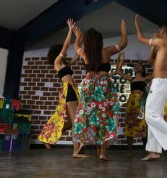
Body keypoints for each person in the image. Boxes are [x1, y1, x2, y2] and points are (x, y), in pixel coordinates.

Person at [134, 14, 167, 161]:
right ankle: (154, 151)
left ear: (163, 31)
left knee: (150, 116)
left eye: (159, 30)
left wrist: (138, 26)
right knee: (154, 116)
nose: (158, 32)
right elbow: (152, 60)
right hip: (162, 84)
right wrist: (154, 42)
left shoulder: (162, 43)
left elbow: (140, 38)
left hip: (159, 84)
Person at [72, 19, 127, 160]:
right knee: (105, 117)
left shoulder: (85, 53)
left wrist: (78, 36)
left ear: (87, 42)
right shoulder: (106, 52)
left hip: (88, 84)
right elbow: (123, 43)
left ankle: (83, 142)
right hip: (102, 85)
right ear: (100, 41)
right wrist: (123, 28)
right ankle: (103, 153)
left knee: (85, 114)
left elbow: (76, 46)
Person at [38, 18, 85, 158]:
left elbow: (77, 55)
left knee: (70, 123)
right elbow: (65, 47)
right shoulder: (57, 63)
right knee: (76, 121)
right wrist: (70, 29)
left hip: (73, 90)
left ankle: (47, 139)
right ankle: (76, 152)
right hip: (68, 90)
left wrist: (79, 37)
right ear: (57, 53)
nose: (65, 52)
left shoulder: (65, 64)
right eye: (62, 51)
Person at [115, 52, 151, 157]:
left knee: (143, 125)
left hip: (142, 103)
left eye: (139, 66)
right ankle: (130, 151)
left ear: (143, 69)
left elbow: (157, 75)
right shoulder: (132, 79)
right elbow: (118, 71)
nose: (137, 66)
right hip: (131, 104)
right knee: (129, 125)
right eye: (136, 66)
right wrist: (121, 60)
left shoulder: (146, 79)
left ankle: (146, 149)